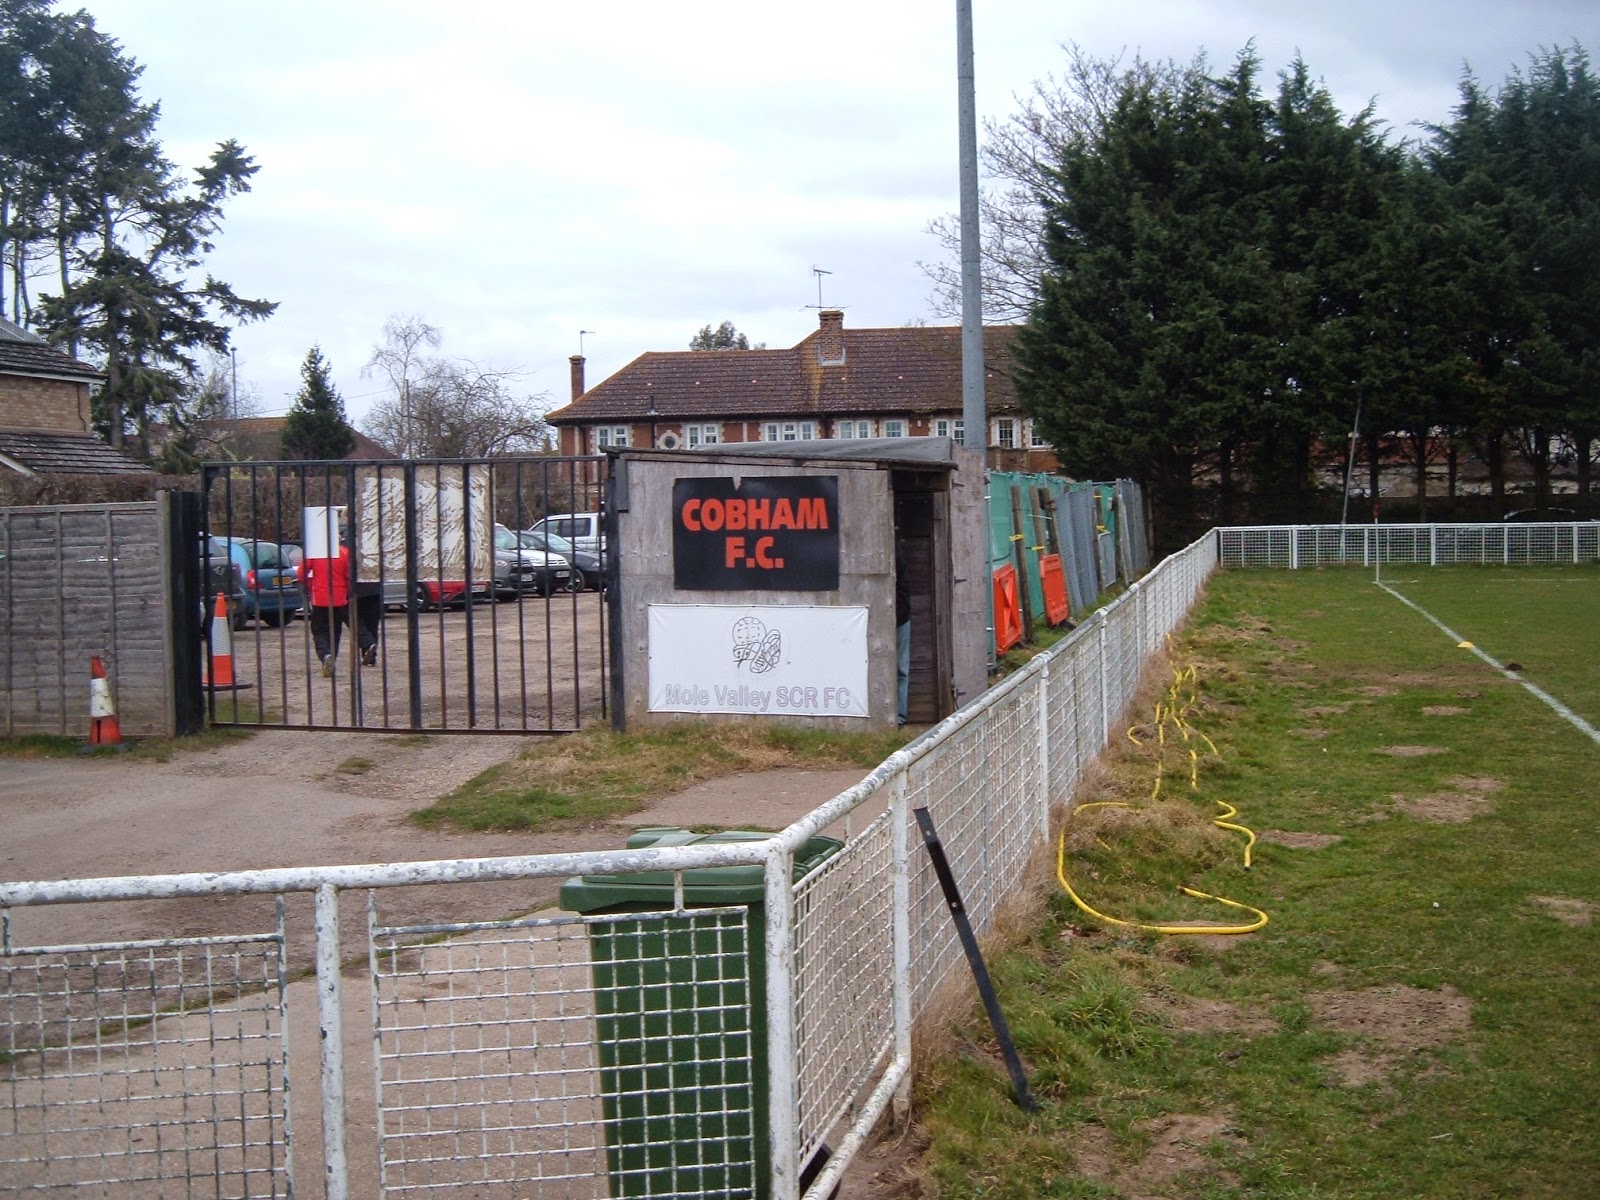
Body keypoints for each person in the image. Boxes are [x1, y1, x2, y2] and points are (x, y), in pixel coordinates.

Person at [298, 544, 378, 675]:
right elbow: (350, 576)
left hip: (320, 598)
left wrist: (311, 586)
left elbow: (301, 574)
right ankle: (366, 643)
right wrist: (346, 591)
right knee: (337, 630)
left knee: (320, 631)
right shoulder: (344, 552)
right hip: (340, 597)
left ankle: (326, 656)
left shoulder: (315, 552)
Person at [895, 541, 911, 725]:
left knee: (901, 669)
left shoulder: (898, 556)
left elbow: (904, 592)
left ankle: (900, 716)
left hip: (901, 619)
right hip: (900, 617)